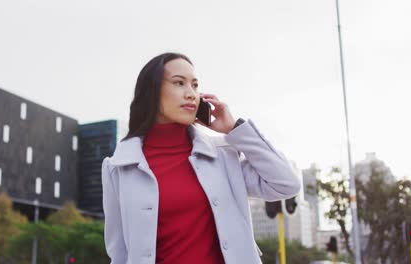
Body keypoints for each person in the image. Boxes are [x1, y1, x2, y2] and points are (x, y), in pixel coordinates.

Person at [101, 52, 301, 264]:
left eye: (195, 86)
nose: (191, 94)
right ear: (152, 92)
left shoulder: (222, 155)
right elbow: (119, 253)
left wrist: (236, 130)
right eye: (179, 83)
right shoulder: (118, 167)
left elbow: (286, 183)